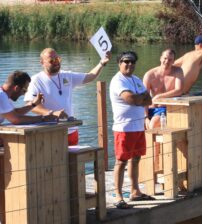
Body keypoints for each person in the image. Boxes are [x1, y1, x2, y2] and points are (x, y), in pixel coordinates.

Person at [24, 48, 111, 146]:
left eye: (57, 59)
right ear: (42, 62)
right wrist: (52, 113)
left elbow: (90, 76)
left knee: (75, 156)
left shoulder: (67, 76)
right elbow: (31, 106)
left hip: (71, 130)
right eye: (51, 60)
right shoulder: (36, 80)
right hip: (50, 132)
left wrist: (101, 63)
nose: (56, 62)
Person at [110, 51, 154, 209]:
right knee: (121, 161)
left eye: (132, 62)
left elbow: (148, 100)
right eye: (126, 61)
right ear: (119, 63)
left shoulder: (136, 79)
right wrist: (139, 98)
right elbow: (130, 99)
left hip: (138, 126)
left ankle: (135, 191)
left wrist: (139, 99)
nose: (130, 64)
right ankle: (118, 196)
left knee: (136, 159)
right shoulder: (117, 81)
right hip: (124, 128)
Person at [143, 49, 184, 128]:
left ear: (173, 61)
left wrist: (159, 96)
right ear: (161, 58)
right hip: (151, 107)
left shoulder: (178, 71)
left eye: (170, 59)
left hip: (168, 108)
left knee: (153, 124)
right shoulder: (149, 75)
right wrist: (145, 117)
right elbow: (144, 98)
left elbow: (179, 90)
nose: (167, 61)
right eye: (165, 58)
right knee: (138, 123)